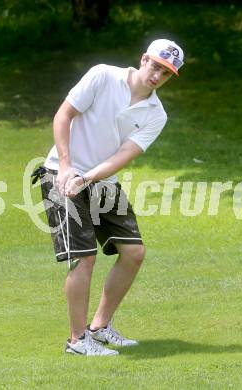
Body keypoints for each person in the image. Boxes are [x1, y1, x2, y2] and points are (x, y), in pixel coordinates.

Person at [37, 38, 184, 356]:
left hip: (101, 181)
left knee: (134, 253)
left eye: (166, 73)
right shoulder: (102, 75)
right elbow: (63, 116)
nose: (157, 76)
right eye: (155, 66)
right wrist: (66, 167)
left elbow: (123, 154)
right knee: (83, 258)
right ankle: (77, 341)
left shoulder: (156, 114)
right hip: (59, 175)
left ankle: (99, 327)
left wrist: (88, 177)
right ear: (144, 59)